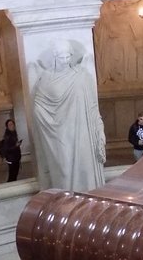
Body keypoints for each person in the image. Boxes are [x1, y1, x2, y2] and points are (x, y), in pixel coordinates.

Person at [31, 39, 106, 192]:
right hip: (59, 136)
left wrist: (99, 130)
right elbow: (38, 106)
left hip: (82, 132)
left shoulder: (81, 77)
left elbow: (92, 106)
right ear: (54, 57)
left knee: (85, 168)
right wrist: (49, 122)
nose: (65, 61)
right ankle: (66, 204)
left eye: (68, 57)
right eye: (61, 58)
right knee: (63, 170)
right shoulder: (46, 78)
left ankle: (88, 203)